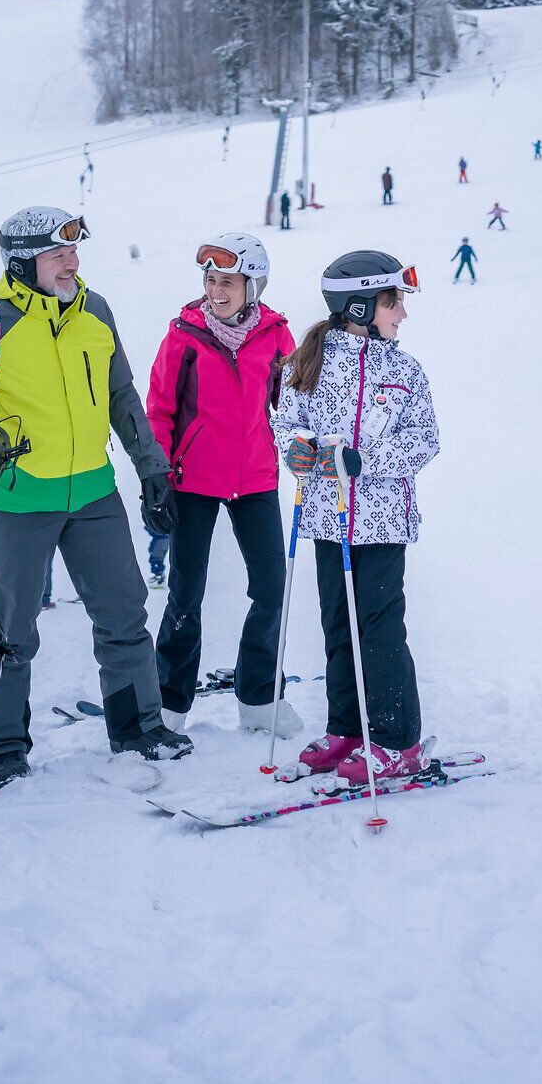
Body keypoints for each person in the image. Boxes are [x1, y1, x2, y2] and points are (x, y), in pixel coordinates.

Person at [0, 207, 192, 789]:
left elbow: (121, 394)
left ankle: (139, 730)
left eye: (73, 251)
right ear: (23, 264)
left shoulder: (95, 310)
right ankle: (4, 749)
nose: (72, 262)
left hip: (94, 491)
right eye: (57, 254)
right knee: (11, 633)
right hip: (19, 499)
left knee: (124, 616)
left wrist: (151, 469)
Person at [274, 252, 439, 782]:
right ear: (361, 306)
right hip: (328, 517)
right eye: (394, 303)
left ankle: (397, 740)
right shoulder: (307, 363)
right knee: (338, 625)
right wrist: (297, 448)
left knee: (380, 629)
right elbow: (286, 422)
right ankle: (346, 728)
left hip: (383, 522)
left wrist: (363, 461)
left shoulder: (404, 370)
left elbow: (425, 441)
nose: (402, 314)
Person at [146, 234, 301, 735]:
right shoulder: (184, 335)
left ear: (252, 286)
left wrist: (305, 444)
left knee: (272, 588)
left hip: (255, 477)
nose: (217, 291)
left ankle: (259, 699)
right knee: (185, 593)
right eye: (211, 280)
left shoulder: (275, 335)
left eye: (228, 282)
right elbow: (160, 409)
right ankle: (169, 704)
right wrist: (157, 477)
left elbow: (294, 404)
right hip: (193, 480)